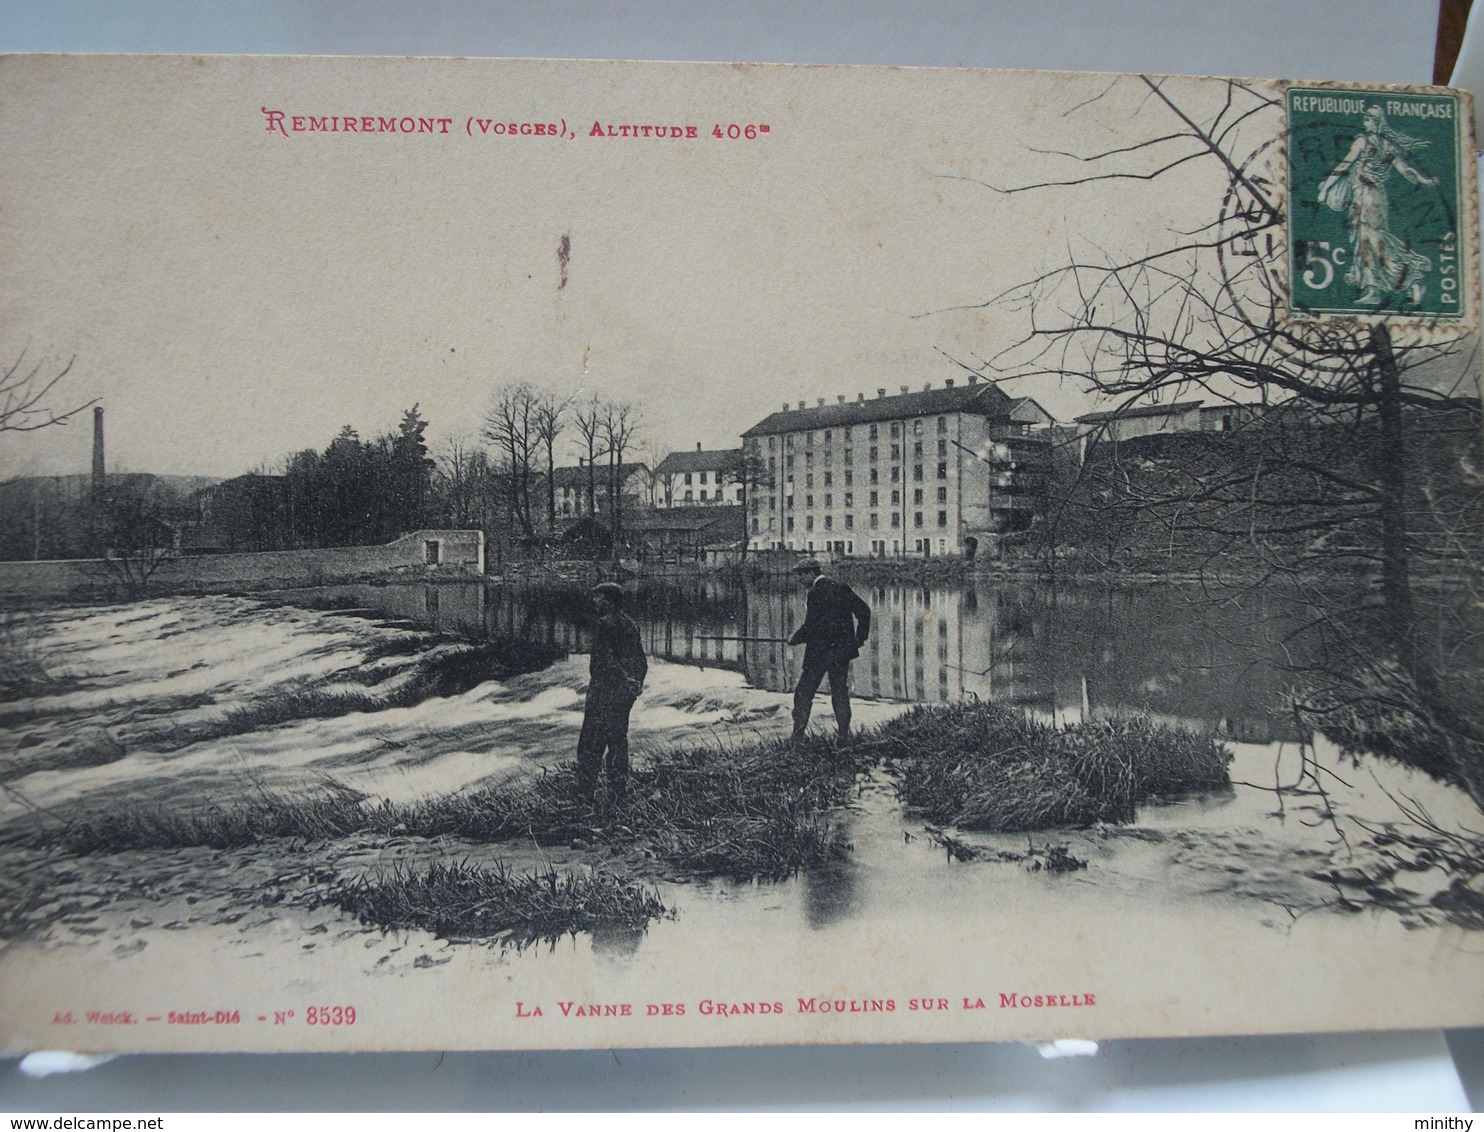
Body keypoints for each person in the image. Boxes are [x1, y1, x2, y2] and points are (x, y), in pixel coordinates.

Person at [1318, 106, 1437, 306]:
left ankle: (1410, 279)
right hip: (1376, 198)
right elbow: (1406, 170)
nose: (1364, 121)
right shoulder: (1388, 145)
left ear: (1375, 122)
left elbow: (1344, 165)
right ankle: (1373, 289)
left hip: (1366, 197)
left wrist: (1325, 189)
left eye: (1367, 118)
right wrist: (1425, 181)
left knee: (1371, 241)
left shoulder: (1362, 141)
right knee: (1368, 241)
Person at [577, 581, 647, 802]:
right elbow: (641, 662)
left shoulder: (604, 624)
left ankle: (585, 793)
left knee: (591, 741)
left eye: (599, 598)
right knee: (617, 739)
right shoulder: (631, 624)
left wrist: (623, 679)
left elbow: (605, 661)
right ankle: (618, 791)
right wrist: (635, 683)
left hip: (604, 690)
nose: (595, 602)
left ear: (609, 601)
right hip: (624, 694)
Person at [786, 558, 871, 740]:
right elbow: (864, 611)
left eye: (800, 576)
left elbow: (812, 626)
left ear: (810, 573)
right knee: (839, 690)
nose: (799, 580)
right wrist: (859, 639)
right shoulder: (841, 587)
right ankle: (843, 733)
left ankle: (797, 735)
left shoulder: (815, 593)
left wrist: (795, 638)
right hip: (842, 651)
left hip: (819, 652)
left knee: (804, 692)